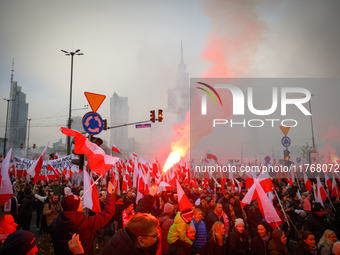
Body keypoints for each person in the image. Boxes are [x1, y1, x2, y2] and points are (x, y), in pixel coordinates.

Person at [49, 181, 116, 255]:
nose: (81, 203)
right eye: (79, 202)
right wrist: (110, 193)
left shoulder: (54, 223)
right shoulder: (85, 222)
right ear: (75, 207)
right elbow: (108, 213)